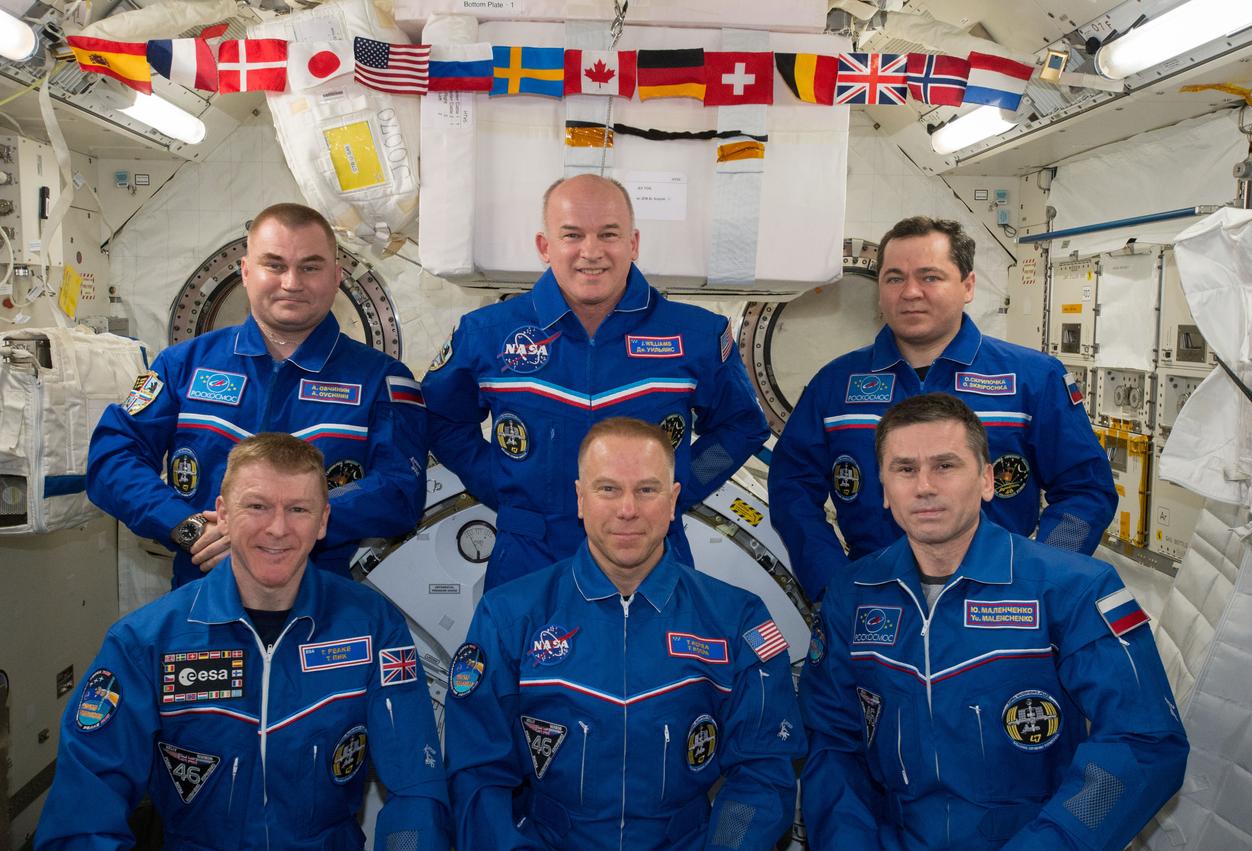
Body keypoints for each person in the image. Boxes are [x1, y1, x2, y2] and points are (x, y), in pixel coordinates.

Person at [798, 394, 1187, 850]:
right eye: (904, 469)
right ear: (884, 489)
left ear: (986, 480)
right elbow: (832, 741)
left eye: (945, 466)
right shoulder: (852, 595)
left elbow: (1143, 743)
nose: (924, 486)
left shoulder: (1073, 589)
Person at [36, 433, 449, 849]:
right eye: (257, 506)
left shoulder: (374, 628)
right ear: (223, 514)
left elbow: (416, 786)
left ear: (323, 520)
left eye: (298, 509)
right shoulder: (144, 643)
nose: (277, 528)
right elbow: (84, 813)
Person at [444, 418, 804, 850]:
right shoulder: (508, 616)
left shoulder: (737, 620)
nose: (628, 509)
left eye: (647, 490)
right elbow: (477, 772)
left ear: (673, 501)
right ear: (580, 498)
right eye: (608, 489)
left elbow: (763, 772)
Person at [424, 174, 768, 590]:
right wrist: (500, 482)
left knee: (653, 658)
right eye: (572, 235)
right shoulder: (488, 334)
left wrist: (678, 486)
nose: (591, 251)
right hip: (531, 558)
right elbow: (440, 418)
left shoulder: (695, 336)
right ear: (544, 247)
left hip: (646, 558)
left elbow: (743, 425)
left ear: (633, 243)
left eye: (609, 234)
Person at [769, 216, 1116, 599]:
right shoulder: (834, 386)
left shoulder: (1033, 380)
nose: (910, 292)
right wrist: (832, 582)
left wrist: (1037, 578)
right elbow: (792, 488)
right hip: (873, 603)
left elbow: (1086, 491)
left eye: (930, 277)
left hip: (998, 603)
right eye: (894, 278)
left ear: (967, 286)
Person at [87, 203, 428, 587]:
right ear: (247, 273)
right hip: (202, 592)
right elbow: (112, 459)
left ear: (336, 277)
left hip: (323, 608)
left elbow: (400, 489)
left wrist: (280, 531)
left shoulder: (381, 380)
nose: (292, 282)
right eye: (275, 265)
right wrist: (186, 526)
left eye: (310, 267)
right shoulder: (182, 365)